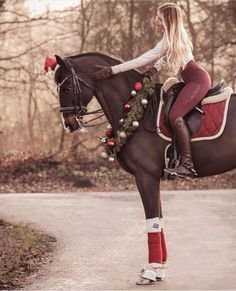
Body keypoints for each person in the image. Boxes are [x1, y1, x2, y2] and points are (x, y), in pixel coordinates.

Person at [92, 2, 211, 179]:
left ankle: (187, 164)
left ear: (167, 20)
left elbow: (142, 59)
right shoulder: (172, 38)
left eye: (159, 17)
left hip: (197, 80)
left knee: (174, 116)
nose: (155, 20)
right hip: (192, 80)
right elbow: (168, 55)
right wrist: (155, 68)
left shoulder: (172, 38)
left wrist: (113, 70)